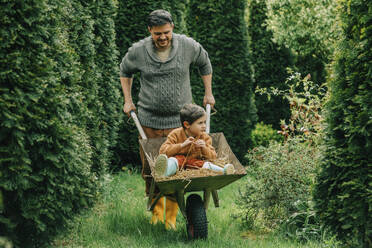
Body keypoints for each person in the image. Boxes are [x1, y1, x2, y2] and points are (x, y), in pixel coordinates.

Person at [119, 9, 215, 229]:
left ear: (172, 28)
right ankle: (156, 213)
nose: (162, 37)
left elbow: (205, 63)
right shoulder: (139, 51)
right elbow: (125, 70)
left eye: (166, 32)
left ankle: (170, 217)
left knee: (176, 171)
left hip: (181, 124)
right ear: (149, 31)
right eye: (157, 34)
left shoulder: (188, 46)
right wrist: (128, 100)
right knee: (151, 170)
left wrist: (208, 93)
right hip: (148, 122)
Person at [154, 104, 235, 230]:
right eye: (200, 123)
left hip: (194, 164)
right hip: (179, 162)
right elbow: (163, 151)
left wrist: (204, 148)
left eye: (205, 122)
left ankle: (223, 170)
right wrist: (181, 146)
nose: (204, 126)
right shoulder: (175, 134)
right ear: (187, 125)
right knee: (174, 161)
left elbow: (213, 156)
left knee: (204, 165)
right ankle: (164, 172)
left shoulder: (204, 137)